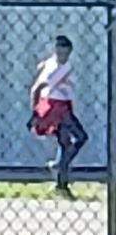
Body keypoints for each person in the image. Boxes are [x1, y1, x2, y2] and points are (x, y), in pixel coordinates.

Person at [29, 33, 88, 199]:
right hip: (56, 107)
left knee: (65, 143)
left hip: (64, 106)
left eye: (66, 53)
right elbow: (38, 88)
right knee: (81, 137)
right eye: (60, 53)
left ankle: (61, 182)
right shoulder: (54, 68)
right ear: (55, 51)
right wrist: (36, 112)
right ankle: (60, 165)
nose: (63, 56)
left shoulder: (64, 65)